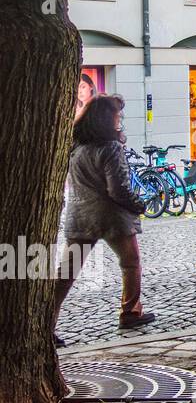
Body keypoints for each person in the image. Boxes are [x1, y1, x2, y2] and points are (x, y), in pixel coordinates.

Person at [53, 94, 154, 344]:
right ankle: (130, 311)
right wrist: (138, 205)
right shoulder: (110, 148)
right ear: (107, 119)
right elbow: (118, 189)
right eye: (117, 115)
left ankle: (45, 322)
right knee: (130, 263)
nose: (120, 120)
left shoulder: (76, 147)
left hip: (80, 215)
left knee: (66, 273)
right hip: (111, 217)